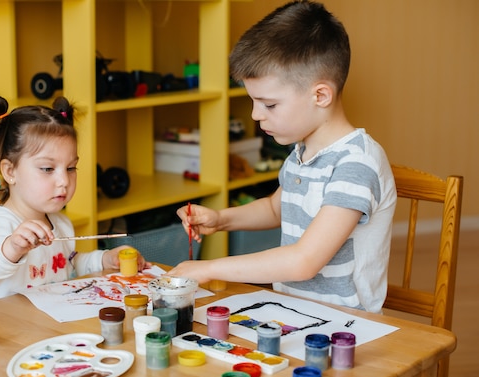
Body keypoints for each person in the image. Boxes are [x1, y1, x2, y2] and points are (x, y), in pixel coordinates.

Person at [168, 0, 397, 313]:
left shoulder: (356, 163)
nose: (255, 115)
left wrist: (209, 268)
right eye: (253, 102)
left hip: (347, 327)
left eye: (269, 105)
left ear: (321, 95)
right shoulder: (302, 151)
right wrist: (222, 219)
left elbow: (304, 261)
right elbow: (277, 208)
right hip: (293, 312)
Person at [0, 96, 150, 305]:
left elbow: (66, 267)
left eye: (70, 168)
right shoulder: (3, 225)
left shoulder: (60, 223)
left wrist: (104, 259)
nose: (63, 181)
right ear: (10, 171)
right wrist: (11, 248)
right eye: (47, 169)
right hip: (5, 333)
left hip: (47, 329)